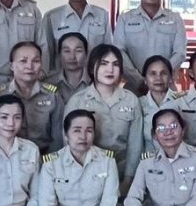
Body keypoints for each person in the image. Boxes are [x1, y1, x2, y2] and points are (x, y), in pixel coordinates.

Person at [39, 110, 119, 206]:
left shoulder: (107, 160)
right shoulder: (51, 163)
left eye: (89, 130)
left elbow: (109, 203)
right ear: (66, 135)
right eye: (77, 130)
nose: (83, 136)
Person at [59, 43, 146, 185]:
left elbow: (135, 144)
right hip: (87, 174)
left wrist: (128, 179)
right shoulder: (77, 101)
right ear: (92, 67)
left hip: (122, 173)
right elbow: (68, 143)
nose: (110, 69)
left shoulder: (131, 100)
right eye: (103, 64)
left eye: (115, 64)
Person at [112, 0, 188, 88]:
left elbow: (180, 53)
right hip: (134, 86)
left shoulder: (175, 19)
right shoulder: (125, 19)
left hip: (166, 85)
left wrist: (161, 76)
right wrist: (138, 79)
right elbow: (119, 51)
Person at [0, 41, 59, 152]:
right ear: (11, 66)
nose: (29, 66)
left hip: (44, 155)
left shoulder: (52, 95)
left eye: (36, 61)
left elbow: (58, 137)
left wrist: (48, 161)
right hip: (7, 154)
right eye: (23, 61)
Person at [42, 0, 109, 71]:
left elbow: (108, 51)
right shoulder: (51, 17)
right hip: (62, 78)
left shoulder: (102, 15)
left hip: (94, 77)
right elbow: (46, 53)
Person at [47, 32, 91, 104]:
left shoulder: (95, 82)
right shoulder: (49, 83)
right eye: (67, 51)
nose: (72, 57)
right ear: (59, 55)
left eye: (78, 51)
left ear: (86, 54)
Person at [138, 54, 175, 124]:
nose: (158, 78)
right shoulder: (138, 104)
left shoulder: (182, 102)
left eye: (163, 73)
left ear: (170, 78)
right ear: (145, 79)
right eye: (153, 74)